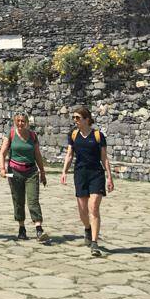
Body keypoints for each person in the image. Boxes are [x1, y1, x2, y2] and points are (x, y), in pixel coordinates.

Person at [60, 106, 114, 257]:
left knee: (93, 208)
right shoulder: (73, 134)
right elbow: (70, 155)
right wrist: (64, 171)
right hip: (80, 174)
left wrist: (109, 177)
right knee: (83, 210)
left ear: (87, 119)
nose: (75, 121)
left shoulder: (98, 136)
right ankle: (87, 228)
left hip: (96, 174)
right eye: (74, 118)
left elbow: (104, 157)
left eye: (78, 118)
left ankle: (95, 243)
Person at [0, 113, 49, 242]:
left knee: (33, 200)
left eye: (23, 121)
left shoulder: (32, 135)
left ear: (26, 122)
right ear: (15, 122)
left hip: (31, 171)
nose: (20, 123)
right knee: (18, 200)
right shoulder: (11, 135)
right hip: (15, 172)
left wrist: (42, 172)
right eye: (18, 121)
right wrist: (2, 169)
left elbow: (37, 154)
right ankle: (21, 228)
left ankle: (39, 229)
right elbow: (2, 153)